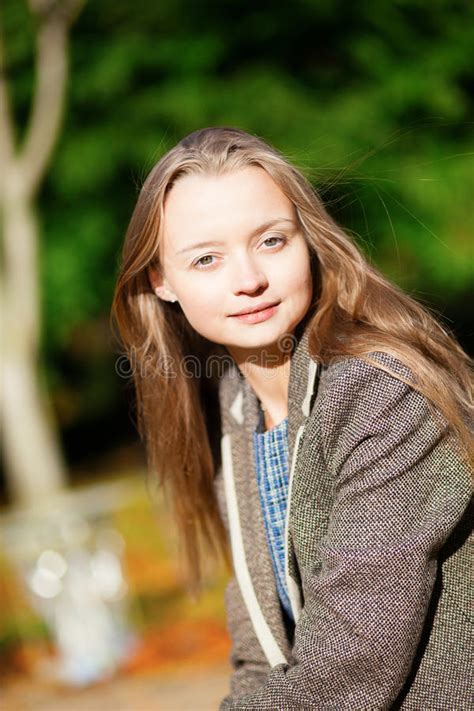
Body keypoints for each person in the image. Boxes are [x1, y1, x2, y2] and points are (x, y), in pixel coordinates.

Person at [111, 126, 473, 709]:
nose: (249, 279)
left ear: (308, 239)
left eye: (271, 241)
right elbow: (259, 651)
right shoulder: (236, 407)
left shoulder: (380, 391)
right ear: (161, 281)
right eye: (206, 259)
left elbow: (351, 665)